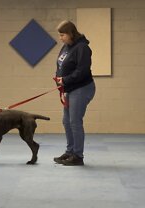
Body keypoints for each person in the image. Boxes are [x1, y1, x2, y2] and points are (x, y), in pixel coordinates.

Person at [54, 20, 95, 166]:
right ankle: (70, 151)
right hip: (69, 88)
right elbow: (60, 66)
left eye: (63, 35)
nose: (61, 38)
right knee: (66, 121)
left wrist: (65, 80)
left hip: (82, 88)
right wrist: (60, 81)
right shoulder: (66, 47)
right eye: (59, 35)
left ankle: (78, 156)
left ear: (71, 33)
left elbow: (82, 71)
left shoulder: (82, 48)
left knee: (75, 121)